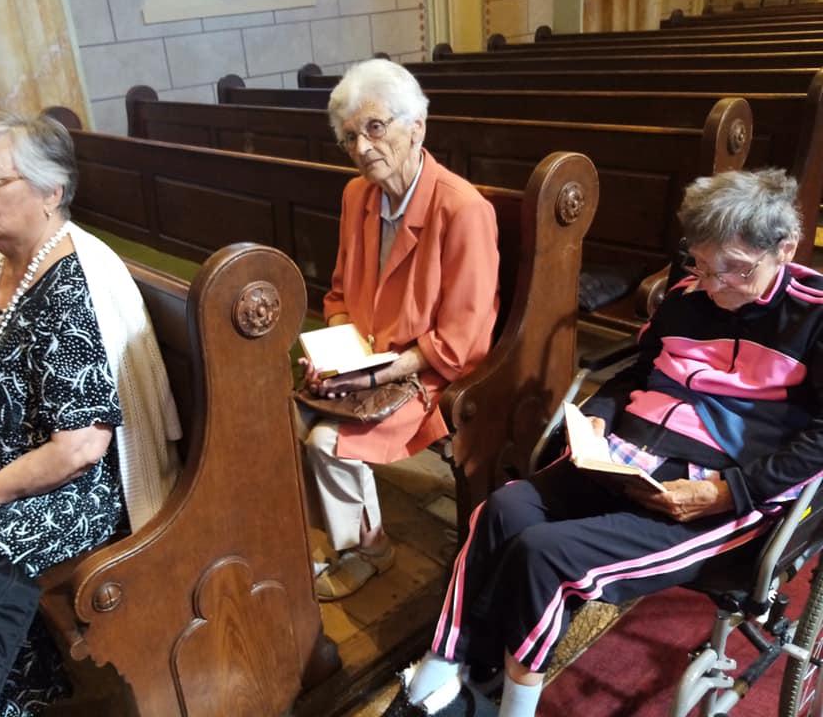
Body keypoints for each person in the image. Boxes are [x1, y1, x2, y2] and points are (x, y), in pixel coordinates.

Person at [384, 168, 823, 717]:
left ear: (785, 249)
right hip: (629, 454)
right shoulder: (687, 297)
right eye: (701, 265)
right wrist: (598, 416)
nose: (712, 285)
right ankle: (442, 672)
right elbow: (637, 373)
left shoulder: (813, 315)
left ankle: (513, 708)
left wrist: (729, 492)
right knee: (500, 510)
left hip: (720, 485)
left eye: (733, 269)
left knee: (545, 555)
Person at [0, 112, 181, 715]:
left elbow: (80, 448)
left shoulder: (72, 285)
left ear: (50, 193)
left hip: (77, 495)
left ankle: (1, 700)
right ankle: (21, 692)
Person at [301, 59, 500, 601]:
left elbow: (461, 343)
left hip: (428, 373)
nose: (363, 147)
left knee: (327, 441)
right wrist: (337, 355)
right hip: (365, 362)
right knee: (285, 416)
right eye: (350, 137)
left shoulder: (463, 209)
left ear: (417, 127)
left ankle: (370, 551)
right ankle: (341, 535)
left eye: (375, 127)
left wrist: (373, 374)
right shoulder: (357, 196)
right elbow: (338, 294)